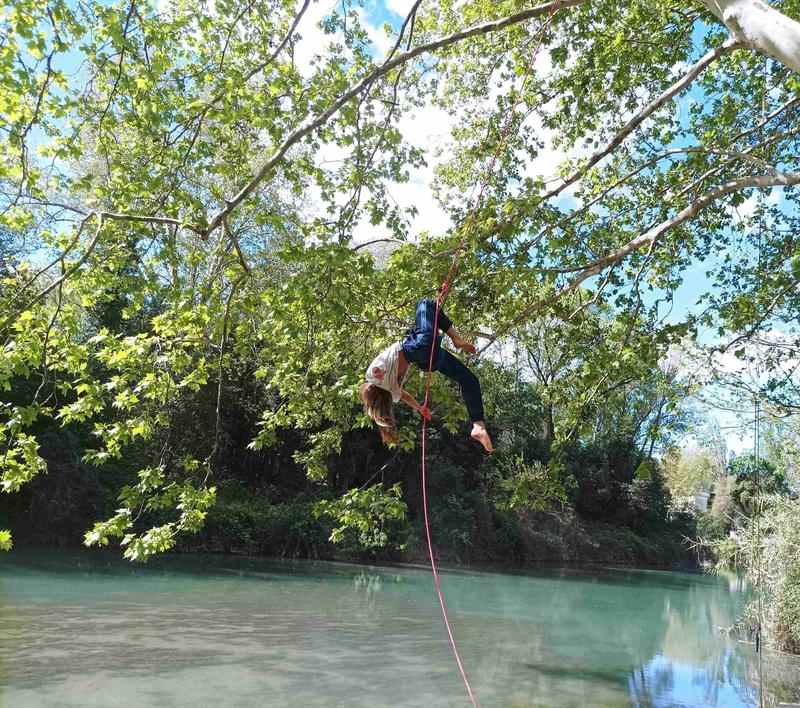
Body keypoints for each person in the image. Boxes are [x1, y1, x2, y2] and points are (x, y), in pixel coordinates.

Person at [359, 295, 493, 452]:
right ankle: (456, 339)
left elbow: (405, 396)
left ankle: (478, 425)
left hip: (429, 359)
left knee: (469, 379)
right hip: (417, 346)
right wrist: (378, 372)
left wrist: (420, 408)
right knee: (426, 303)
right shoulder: (373, 377)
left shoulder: (391, 392)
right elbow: (376, 371)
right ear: (369, 390)